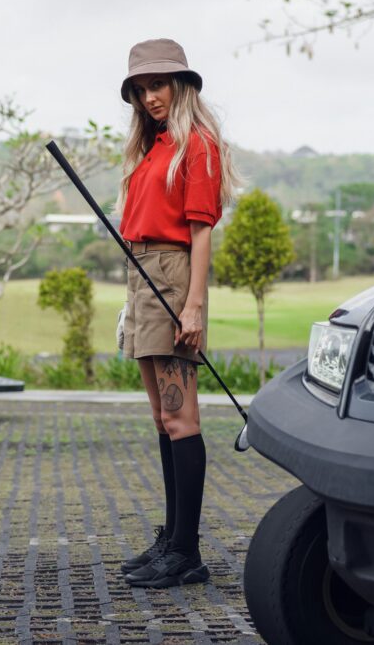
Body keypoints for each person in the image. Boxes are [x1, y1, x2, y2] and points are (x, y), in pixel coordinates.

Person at [114, 38, 238, 588]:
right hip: (142, 278)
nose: (150, 97)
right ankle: (173, 537)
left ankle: (187, 553)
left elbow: (201, 231)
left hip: (171, 276)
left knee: (181, 418)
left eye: (158, 85)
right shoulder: (153, 149)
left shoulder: (197, 145)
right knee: (162, 420)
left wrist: (194, 304)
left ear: (181, 84)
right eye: (141, 89)